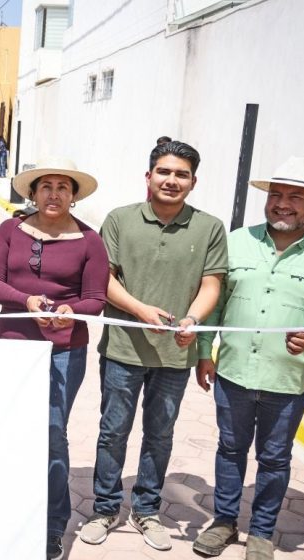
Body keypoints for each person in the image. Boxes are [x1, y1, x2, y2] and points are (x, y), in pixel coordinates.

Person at [192, 157, 304, 560]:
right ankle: (225, 521)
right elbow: (215, 300)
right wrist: (202, 351)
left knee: (274, 458)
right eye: (276, 195)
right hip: (232, 372)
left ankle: (262, 532)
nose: (283, 204)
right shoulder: (237, 241)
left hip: (288, 380)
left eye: (296, 197)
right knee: (230, 449)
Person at [79, 141, 227, 552]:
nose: (171, 180)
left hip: (175, 355)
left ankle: (147, 510)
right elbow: (103, 279)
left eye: (181, 175)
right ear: (149, 176)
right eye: (164, 172)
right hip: (123, 350)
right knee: (112, 432)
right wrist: (140, 309)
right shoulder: (120, 220)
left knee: (160, 435)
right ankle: (105, 508)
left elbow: (211, 284)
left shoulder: (209, 227)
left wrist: (193, 322)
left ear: (193, 182)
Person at [0, 158, 108, 559]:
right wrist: (26, 301)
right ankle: (2, 511)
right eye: (46, 186)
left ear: (73, 196)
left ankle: (54, 523)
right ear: (33, 193)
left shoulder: (90, 240)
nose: (54, 194)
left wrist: (72, 312)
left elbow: (96, 298)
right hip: (14, 344)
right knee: (8, 429)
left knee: (53, 433)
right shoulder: (10, 230)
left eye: (63, 187)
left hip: (64, 351)